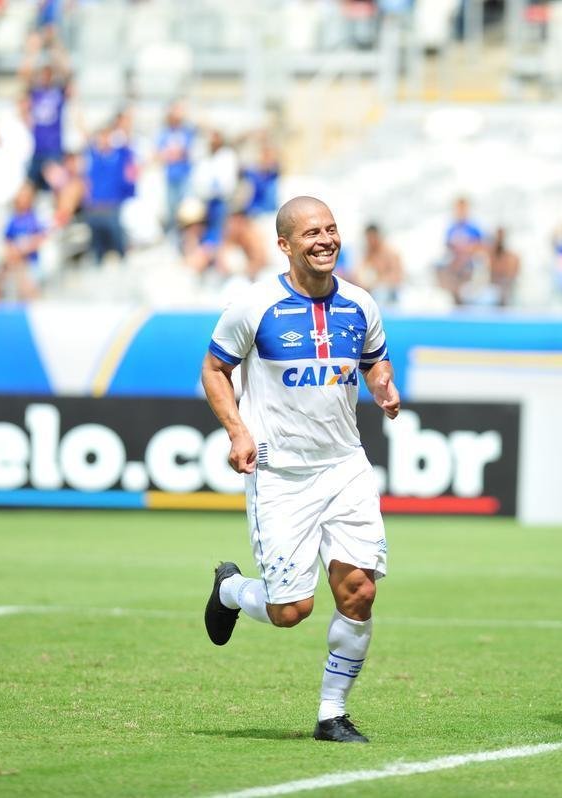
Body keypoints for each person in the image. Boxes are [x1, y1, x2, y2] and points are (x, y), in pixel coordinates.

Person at [201, 195, 400, 744]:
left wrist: (382, 383)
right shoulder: (254, 306)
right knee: (292, 611)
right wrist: (238, 431)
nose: (326, 240)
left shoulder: (360, 303)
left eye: (332, 230)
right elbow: (215, 369)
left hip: (345, 467)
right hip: (281, 474)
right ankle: (231, 591)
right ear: (284, 245)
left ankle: (331, 713)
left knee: (358, 591)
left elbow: (375, 358)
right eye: (312, 233)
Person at [83, 128, 136, 264]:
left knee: (118, 243)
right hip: (95, 208)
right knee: (97, 248)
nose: (104, 141)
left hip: (113, 207)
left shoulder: (119, 156)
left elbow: (128, 143)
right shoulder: (93, 156)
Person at [20, 52, 71, 191]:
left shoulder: (58, 93)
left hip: (54, 150)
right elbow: (24, 76)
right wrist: (32, 50)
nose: (45, 77)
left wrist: (56, 48)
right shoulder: (35, 93)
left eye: (48, 74)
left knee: (56, 189)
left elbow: (68, 74)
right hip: (36, 150)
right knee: (30, 188)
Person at [155, 100, 195, 234]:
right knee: (172, 210)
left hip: (185, 176)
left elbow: (190, 151)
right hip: (170, 177)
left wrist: (175, 153)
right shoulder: (164, 132)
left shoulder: (188, 131)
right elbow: (160, 154)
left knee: (187, 210)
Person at [438, 195, 484, 304]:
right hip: (454, 262)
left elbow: (482, 246)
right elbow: (447, 246)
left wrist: (467, 250)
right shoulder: (451, 227)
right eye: (458, 208)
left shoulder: (474, 227)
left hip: (470, 263)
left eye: (463, 208)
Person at [353, 223, 403, 305]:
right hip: (374, 289)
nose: (370, 242)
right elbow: (358, 273)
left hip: (390, 291)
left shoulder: (390, 253)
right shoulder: (368, 253)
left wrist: (376, 282)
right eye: (368, 239)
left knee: (380, 293)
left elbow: (397, 278)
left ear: (377, 236)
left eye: (372, 238)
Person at [487, 227, 520, 306]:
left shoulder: (513, 257)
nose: (499, 240)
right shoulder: (490, 255)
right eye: (497, 237)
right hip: (493, 289)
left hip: (508, 289)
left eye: (501, 237)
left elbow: (511, 275)